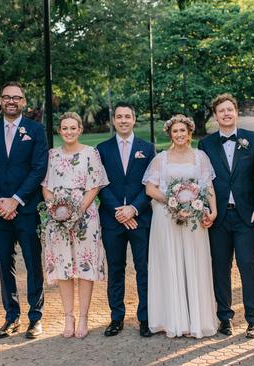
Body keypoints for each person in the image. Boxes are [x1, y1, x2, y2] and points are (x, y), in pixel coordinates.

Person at [0, 81, 48, 339]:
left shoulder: (35, 130)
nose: (11, 101)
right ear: (0, 100)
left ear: (23, 102)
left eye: (16, 98)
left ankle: (35, 318)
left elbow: (39, 168)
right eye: (7, 97)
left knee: (33, 263)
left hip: (26, 209)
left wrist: (16, 199)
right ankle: (11, 316)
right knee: (5, 265)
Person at [143, 114, 219, 338]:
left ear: (189, 133)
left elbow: (208, 186)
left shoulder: (200, 157)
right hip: (167, 218)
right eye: (175, 131)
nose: (179, 135)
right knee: (170, 265)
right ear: (170, 134)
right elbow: (150, 189)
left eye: (183, 131)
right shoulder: (161, 159)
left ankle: (196, 321)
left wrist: (213, 211)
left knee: (195, 265)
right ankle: (173, 321)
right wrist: (174, 202)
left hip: (194, 219)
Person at [198, 93, 254, 338]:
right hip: (218, 218)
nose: (226, 114)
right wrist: (206, 210)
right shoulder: (205, 145)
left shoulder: (253, 140)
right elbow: (202, 182)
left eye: (230, 110)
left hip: (246, 215)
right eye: (221, 111)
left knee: (248, 264)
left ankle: (253, 317)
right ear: (215, 116)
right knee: (220, 267)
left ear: (236, 112)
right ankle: (224, 317)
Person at [41, 112, 109, 338]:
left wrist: (77, 211)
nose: (69, 132)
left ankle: (83, 318)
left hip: (85, 217)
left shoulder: (91, 154)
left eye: (73, 128)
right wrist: (56, 209)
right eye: (64, 128)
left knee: (85, 267)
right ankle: (68, 317)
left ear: (80, 130)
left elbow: (94, 186)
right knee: (64, 267)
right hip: (57, 219)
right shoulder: (52, 155)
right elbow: (46, 186)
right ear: (59, 131)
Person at [97, 102, 156, 337]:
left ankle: (145, 318)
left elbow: (150, 183)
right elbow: (100, 183)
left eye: (127, 116)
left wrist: (133, 209)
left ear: (134, 120)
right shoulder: (101, 149)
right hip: (112, 220)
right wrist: (119, 211)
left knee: (144, 268)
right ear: (114, 120)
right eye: (119, 116)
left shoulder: (147, 148)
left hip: (140, 219)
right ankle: (116, 317)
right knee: (116, 268)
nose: (123, 120)